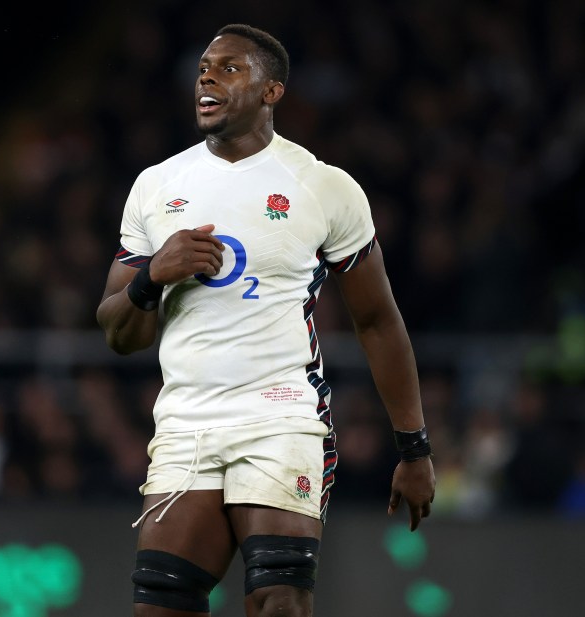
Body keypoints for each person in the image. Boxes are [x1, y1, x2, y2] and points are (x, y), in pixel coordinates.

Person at [96, 23, 435, 617]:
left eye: (229, 68)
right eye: (204, 66)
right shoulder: (157, 186)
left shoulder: (324, 187)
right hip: (186, 422)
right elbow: (118, 331)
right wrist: (153, 275)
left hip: (280, 415)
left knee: (279, 598)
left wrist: (414, 449)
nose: (207, 75)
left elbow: (379, 322)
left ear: (271, 91)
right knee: (160, 606)